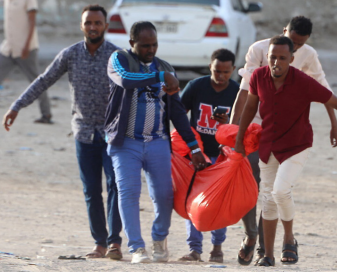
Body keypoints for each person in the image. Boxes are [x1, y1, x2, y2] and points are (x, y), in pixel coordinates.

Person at [234, 35, 337, 267]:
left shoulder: (303, 82)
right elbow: (250, 107)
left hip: (297, 146)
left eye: (282, 58)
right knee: (268, 198)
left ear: (292, 59)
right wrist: (238, 139)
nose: (276, 62)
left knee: (281, 191)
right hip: (268, 146)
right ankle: (268, 255)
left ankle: (289, 239)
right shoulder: (258, 77)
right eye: (272, 57)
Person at [2, 5, 124, 260]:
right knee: (91, 191)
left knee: (115, 186)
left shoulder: (117, 56)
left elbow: (134, 88)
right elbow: (43, 80)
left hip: (113, 134)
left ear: (105, 26)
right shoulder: (70, 54)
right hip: (83, 134)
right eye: (88, 22)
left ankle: (115, 243)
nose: (93, 27)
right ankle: (99, 243)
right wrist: (17, 105)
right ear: (82, 26)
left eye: (97, 23)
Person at [231, 16, 337, 265]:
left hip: (286, 131)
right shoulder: (261, 49)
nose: (295, 47)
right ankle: (251, 235)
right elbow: (244, 91)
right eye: (292, 41)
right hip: (255, 128)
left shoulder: (308, 54)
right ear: (284, 32)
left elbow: (324, 90)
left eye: (300, 45)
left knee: (273, 192)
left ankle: (266, 248)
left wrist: (334, 124)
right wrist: (233, 129)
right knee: (250, 186)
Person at [105, 21, 207, 264]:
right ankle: (137, 248)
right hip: (125, 142)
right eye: (144, 45)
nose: (150, 50)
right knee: (128, 193)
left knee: (163, 196)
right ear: (132, 44)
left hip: (158, 142)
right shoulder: (119, 59)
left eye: (154, 45)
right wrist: (160, 77)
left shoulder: (165, 67)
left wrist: (194, 146)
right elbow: (127, 80)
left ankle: (159, 238)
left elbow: (178, 113)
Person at [178, 48, 239, 263]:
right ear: (210, 67)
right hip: (197, 154)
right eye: (216, 71)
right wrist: (189, 145)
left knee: (219, 203)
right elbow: (179, 114)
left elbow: (242, 125)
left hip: (222, 155)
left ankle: (217, 247)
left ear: (233, 69)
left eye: (225, 72)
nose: (220, 76)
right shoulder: (197, 86)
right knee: (192, 201)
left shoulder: (237, 91)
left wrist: (227, 124)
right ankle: (194, 249)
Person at [0, 0, 52, 124]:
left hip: (25, 48)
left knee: (36, 82)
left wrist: (26, 45)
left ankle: (46, 114)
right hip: (9, 47)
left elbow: (32, 22)